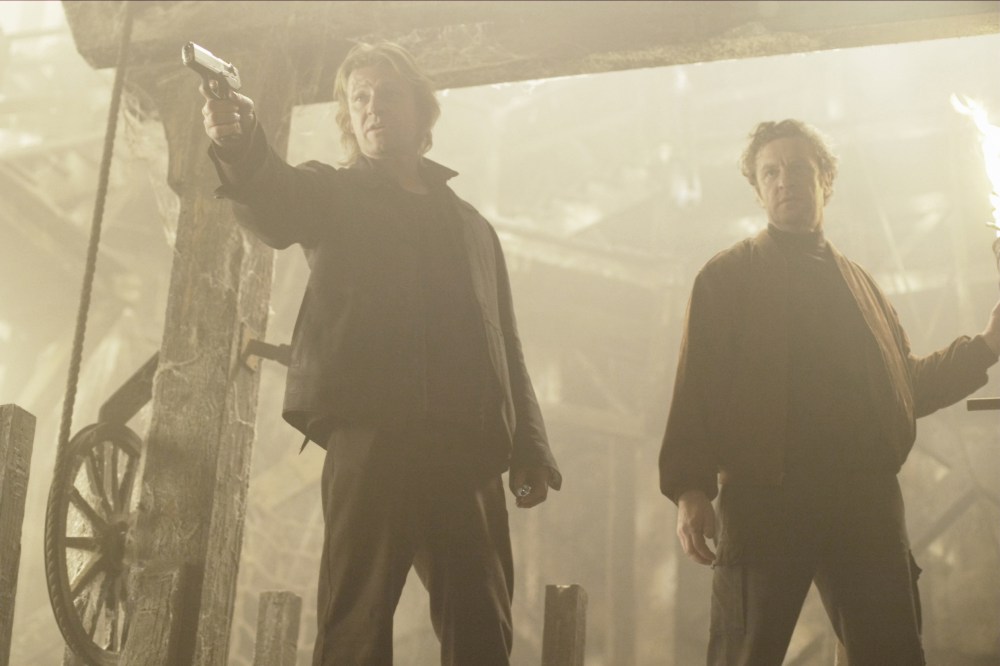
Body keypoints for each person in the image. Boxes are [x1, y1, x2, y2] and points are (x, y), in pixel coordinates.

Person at [199, 41, 561, 666]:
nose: (372, 107)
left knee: (482, 628)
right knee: (356, 626)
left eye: (387, 94)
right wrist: (238, 143)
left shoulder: (473, 228)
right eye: (359, 98)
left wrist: (529, 445)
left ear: (422, 113)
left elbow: (505, 342)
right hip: (371, 438)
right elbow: (275, 200)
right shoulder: (333, 193)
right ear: (349, 117)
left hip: (464, 448)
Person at [659, 118, 1000, 665]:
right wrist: (688, 489)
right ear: (758, 189)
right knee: (746, 655)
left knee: (892, 654)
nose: (784, 181)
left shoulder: (862, 288)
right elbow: (695, 388)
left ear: (826, 180)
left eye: (798, 168)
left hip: (863, 499)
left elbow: (905, 387)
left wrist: (986, 345)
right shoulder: (726, 278)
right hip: (766, 497)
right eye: (770, 172)